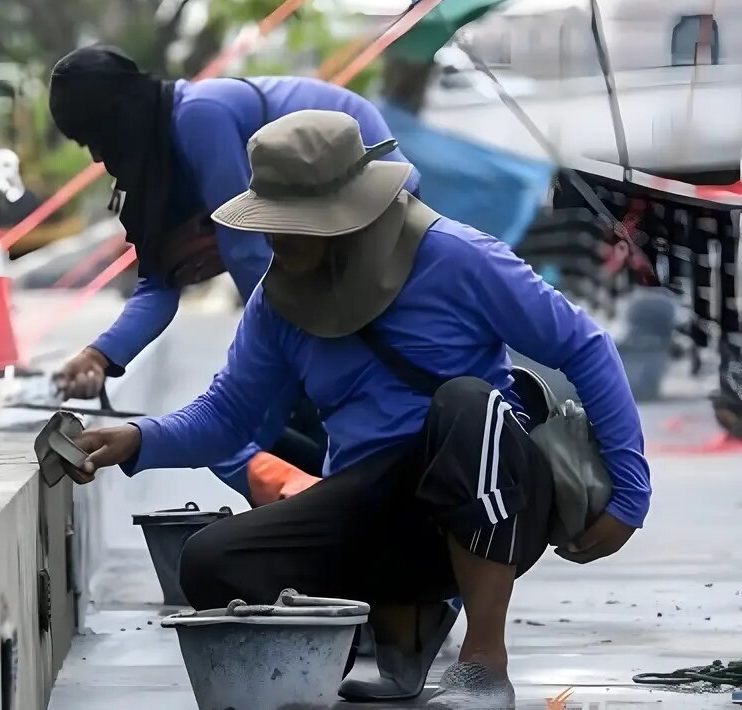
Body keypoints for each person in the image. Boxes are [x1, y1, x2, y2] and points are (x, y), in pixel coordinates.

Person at [69, 110, 650, 707]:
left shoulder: (456, 256)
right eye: (271, 222)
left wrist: (629, 496)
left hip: (489, 496)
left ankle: (483, 663)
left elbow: (584, 345)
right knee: (211, 562)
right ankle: (397, 626)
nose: (275, 237)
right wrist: (138, 440)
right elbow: (228, 414)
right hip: (371, 504)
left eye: (293, 223)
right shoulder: (277, 302)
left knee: (465, 402)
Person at [48, 44, 420, 501]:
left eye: (94, 139)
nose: (96, 159)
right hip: (304, 265)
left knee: (306, 396)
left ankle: (326, 502)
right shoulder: (160, 167)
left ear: (120, 116)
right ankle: (307, 501)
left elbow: (249, 250)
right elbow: (159, 285)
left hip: (365, 193)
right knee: (230, 437)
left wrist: (278, 354)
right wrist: (99, 356)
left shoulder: (199, 116)